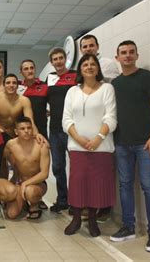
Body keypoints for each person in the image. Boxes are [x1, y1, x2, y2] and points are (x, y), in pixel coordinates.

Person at [109, 40, 150, 253]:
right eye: (123, 53)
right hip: (122, 143)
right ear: (117, 58)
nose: (127, 56)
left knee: (149, 187)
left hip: (145, 144)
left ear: (137, 55)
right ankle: (128, 227)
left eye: (131, 52)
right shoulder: (114, 84)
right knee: (124, 186)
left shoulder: (148, 78)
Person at [62, 54, 117, 237]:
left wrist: (98, 137)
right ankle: (76, 219)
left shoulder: (107, 89)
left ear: (98, 68)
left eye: (93, 64)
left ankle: (92, 220)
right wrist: (78, 138)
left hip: (101, 148)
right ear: (80, 69)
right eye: (85, 64)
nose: (89, 67)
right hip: (77, 147)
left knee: (96, 185)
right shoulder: (72, 92)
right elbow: (66, 119)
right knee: (78, 183)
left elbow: (111, 117)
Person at [79, 34, 120, 222]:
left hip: (103, 126)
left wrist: (100, 134)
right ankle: (89, 205)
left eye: (91, 45)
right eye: (85, 46)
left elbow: (110, 92)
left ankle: (102, 207)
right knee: (87, 172)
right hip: (84, 130)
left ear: (97, 46)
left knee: (102, 172)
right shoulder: (79, 70)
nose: (88, 49)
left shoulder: (108, 64)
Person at [46, 47, 77, 213]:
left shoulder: (75, 76)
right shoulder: (49, 79)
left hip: (72, 129)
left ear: (66, 59)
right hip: (55, 129)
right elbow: (46, 99)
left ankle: (76, 202)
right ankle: (63, 199)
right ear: (51, 62)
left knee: (76, 166)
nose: (58, 61)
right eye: (55, 59)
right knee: (58, 166)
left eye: (60, 58)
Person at [3, 117, 50, 219]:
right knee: (11, 214)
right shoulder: (11, 144)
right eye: (22, 128)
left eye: (29, 128)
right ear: (16, 131)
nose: (26, 131)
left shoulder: (42, 145)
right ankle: (23, 203)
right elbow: (2, 158)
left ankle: (34, 205)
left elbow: (44, 173)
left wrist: (25, 183)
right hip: (18, 182)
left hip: (37, 184)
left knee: (30, 191)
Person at [0, 74, 41, 139]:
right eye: (8, 83)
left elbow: (30, 121)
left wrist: (37, 134)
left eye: (14, 83)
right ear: (4, 85)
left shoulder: (24, 100)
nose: (11, 85)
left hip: (14, 135)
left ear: (17, 86)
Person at [19, 59, 48, 139]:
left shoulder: (45, 86)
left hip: (41, 129)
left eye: (32, 68)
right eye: (26, 69)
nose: (30, 71)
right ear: (21, 72)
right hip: (22, 131)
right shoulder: (17, 88)